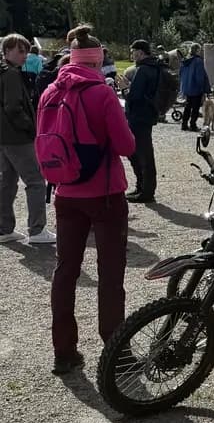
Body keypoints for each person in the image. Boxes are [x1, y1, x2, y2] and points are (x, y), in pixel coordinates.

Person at [44, 25, 136, 376]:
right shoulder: (102, 93)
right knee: (110, 275)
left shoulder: (51, 90)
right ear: (98, 60)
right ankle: (116, 350)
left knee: (65, 271)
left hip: (65, 192)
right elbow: (127, 146)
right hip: (105, 193)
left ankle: (64, 351)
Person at [0, 33, 55, 244]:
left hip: (4, 137)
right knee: (35, 181)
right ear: (6, 52)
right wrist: (31, 129)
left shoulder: (5, 72)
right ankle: (37, 229)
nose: (24, 55)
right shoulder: (12, 74)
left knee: (7, 182)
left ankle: (4, 228)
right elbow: (13, 107)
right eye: (19, 51)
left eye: (25, 50)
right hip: (17, 137)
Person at [124, 39, 162, 203]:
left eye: (133, 52)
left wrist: (126, 87)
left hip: (138, 116)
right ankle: (143, 188)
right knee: (143, 153)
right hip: (149, 114)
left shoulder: (143, 70)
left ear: (140, 52)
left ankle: (145, 191)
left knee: (140, 154)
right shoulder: (156, 67)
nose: (132, 55)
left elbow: (134, 96)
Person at [179, 43, 211, 132]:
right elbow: (200, 76)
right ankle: (193, 124)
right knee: (195, 108)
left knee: (188, 106)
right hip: (196, 87)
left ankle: (184, 124)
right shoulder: (198, 61)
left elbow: (180, 74)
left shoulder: (185, 61)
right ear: (197, 50)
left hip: (187, 87)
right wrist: (203, 88)